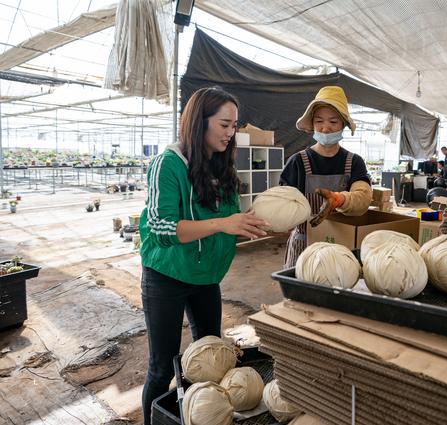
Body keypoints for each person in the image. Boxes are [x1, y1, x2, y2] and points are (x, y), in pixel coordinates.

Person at [138, 87, 268, 425]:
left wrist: (247, 224)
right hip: (166, 275)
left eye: (234, 125)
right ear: (199, 122)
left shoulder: (221, 165)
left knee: (211, 356)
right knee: (162, 365)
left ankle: (202, 415)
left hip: (205, 277)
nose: (230, 133)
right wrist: (225, 222)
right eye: (224, 124)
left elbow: (221, 227)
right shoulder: (168, 164)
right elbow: (162, 230)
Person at [279, 86, 373, 268]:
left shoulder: (354, 162)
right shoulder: (297, 161)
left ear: (343, 124)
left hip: (340, 245)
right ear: (312, 124)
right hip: (303, 246)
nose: (326, 128)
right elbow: (283, 201)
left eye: (333, 122)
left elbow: (363, 198)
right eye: (319, 121)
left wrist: (339, 200)